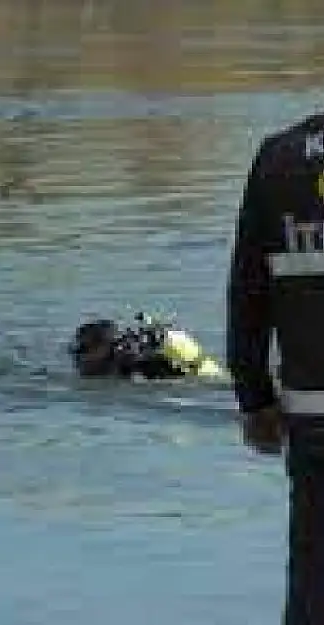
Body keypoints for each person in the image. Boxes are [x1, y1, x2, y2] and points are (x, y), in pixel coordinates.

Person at [227, 113, 324, 625]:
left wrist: (255, 399)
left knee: (312, 586)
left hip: (312, 420)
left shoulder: (279, 158)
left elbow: (248, 292)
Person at [70, 313, 226, 380]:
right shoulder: (124, 354)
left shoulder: (142, 365)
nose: (78, 359)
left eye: (82, 350)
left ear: (101, 348)